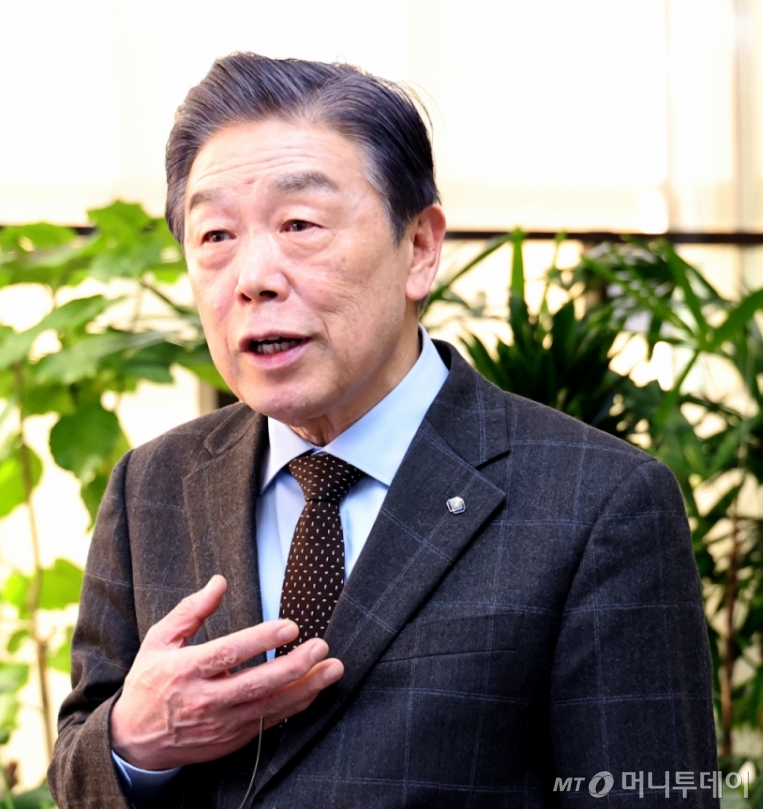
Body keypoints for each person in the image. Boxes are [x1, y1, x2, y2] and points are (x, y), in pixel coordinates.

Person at [48, 53, 717, 808]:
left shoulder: (599, 504)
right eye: (215, 236)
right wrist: (133, 742)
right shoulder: (153, 484)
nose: (253, 278)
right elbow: (78, 760)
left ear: (420, 248)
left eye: (299, 224)